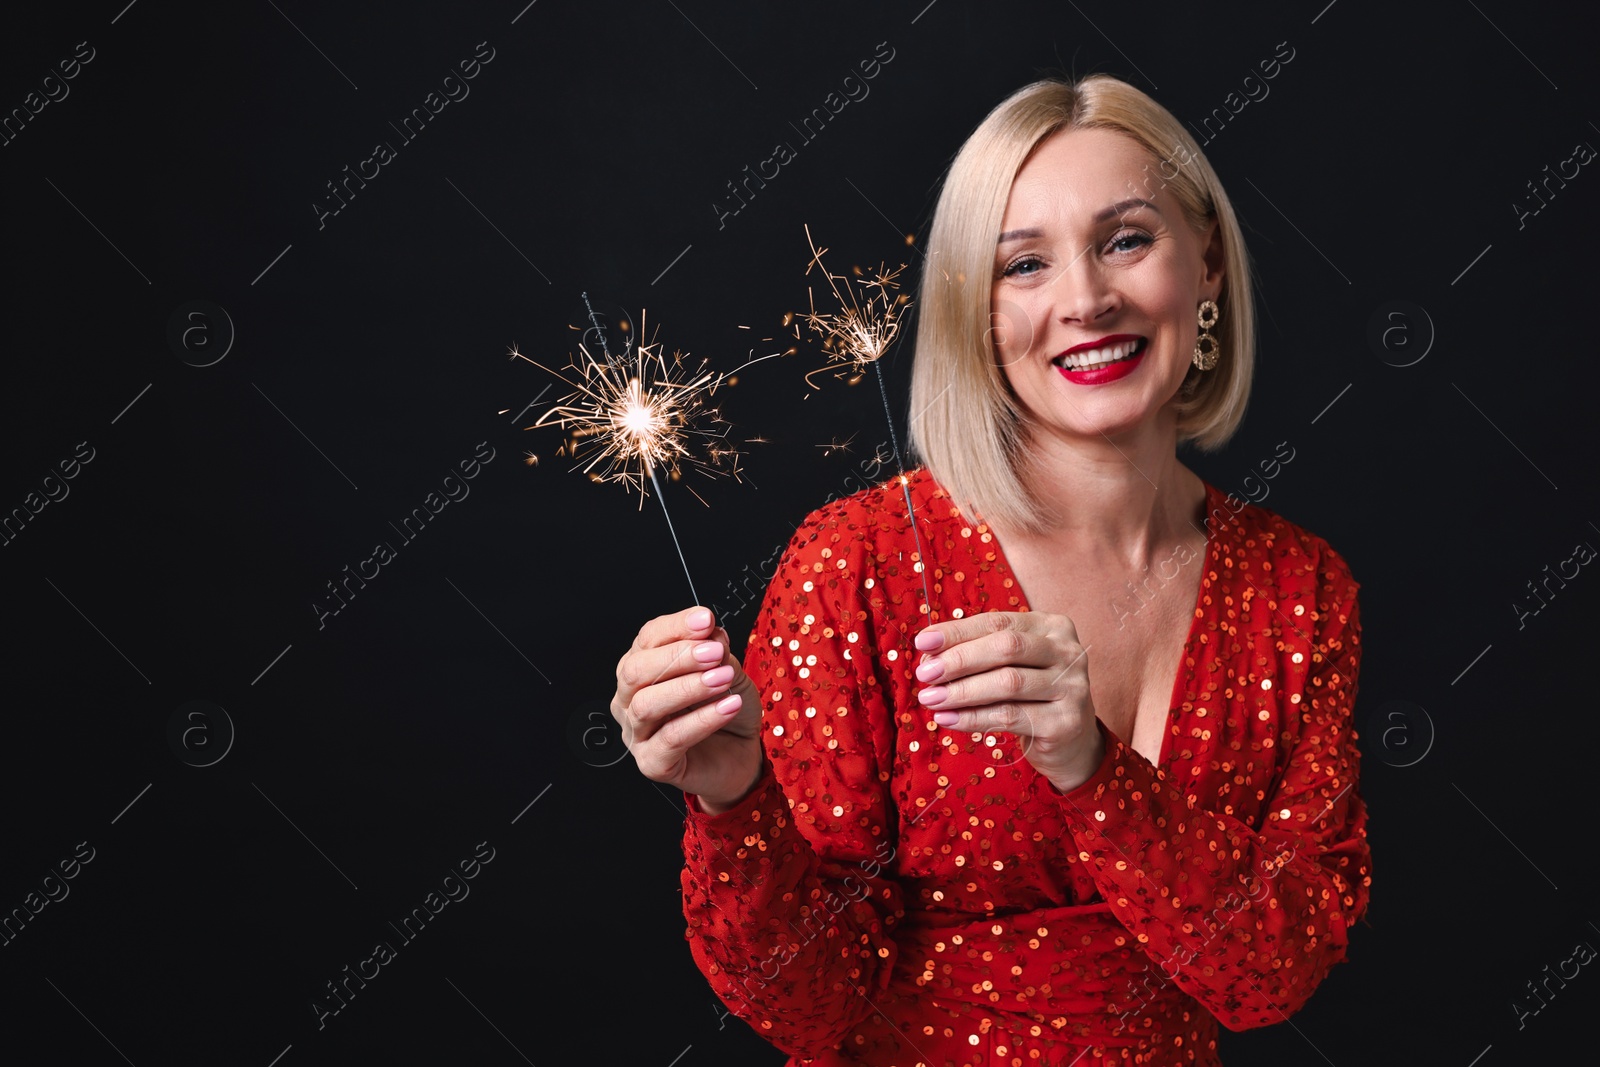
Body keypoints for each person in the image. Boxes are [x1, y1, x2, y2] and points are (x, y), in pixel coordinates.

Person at [610, 73, 1370, 1067]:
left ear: (1208, 264)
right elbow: (807, 1010)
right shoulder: (858, 563)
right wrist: (734, 800)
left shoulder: (1297, 588)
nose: (1086, 299)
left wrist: (1092, 772)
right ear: (977, 312)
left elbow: (1271, 975)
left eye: (1126, 239)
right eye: (1024, 264)